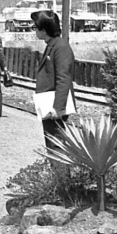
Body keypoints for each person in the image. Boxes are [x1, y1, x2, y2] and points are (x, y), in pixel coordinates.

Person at [33, 10, 75, 149]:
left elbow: (63, 78)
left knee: (56, 144)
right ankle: (56, 169)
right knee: (51, 142)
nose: (34, 30)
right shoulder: (52, 45)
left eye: (35, 27)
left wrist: (58, 108)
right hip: (48, 103)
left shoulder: (60, 47)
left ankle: (60, 171)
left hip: (53, 106)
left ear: (43, 30)